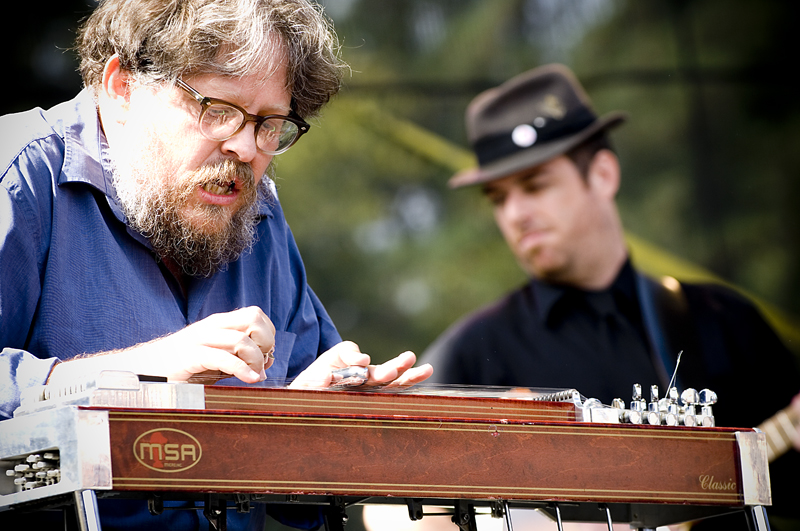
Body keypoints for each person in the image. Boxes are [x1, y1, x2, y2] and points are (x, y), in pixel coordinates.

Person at [0, 0, 432, 529]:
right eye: (219, 109)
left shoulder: (259, 214)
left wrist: (302, 424)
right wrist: (140, 377)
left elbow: (301, 501)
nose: (248, 147)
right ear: (122, 89)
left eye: (269, 123)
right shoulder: (16, 174)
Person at [420, 64, 800, 530]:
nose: (515, 213)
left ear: (602, 174)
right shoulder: (474, 350)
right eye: (498, 198)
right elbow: (385, 504)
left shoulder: (723, 320)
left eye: (535, 185)